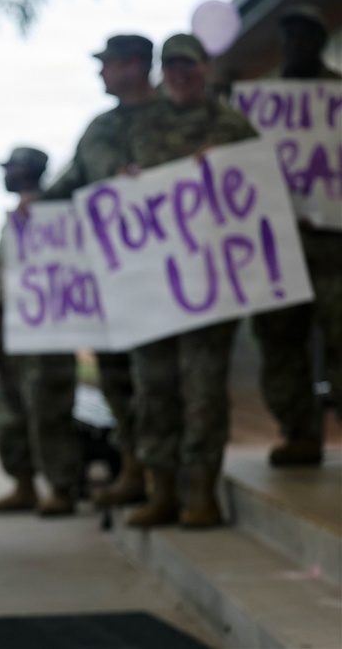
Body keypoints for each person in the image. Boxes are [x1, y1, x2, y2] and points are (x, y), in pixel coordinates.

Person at [123, 33, 258, 528]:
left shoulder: (231, 125)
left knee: (203, 391)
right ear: (163, 71)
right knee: (154, 388)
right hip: (151, 284)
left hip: (211, 281)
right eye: (172, 65)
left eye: (189, 64)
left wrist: (223, 168)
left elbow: (258, 187)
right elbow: (99, 180)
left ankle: (201, 493)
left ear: (204, 67)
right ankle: (163, 492)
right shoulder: (139, 124)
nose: (180, 73)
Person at [29, 34, 163, 510]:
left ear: (134, 65)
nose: (100, 72)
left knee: (160, 379)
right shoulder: (98, 128)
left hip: (166, 282)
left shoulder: (174, 116)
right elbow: (68, 184)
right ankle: (133, 466)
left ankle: (165, 473)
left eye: (107, 64)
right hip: (110, 281)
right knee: (115, 375)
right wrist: (34, 211)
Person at [250, 4, 342, 467]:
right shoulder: (257, 107)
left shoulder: (337, 98)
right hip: (277, 250)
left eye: (303, 37)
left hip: (335, 248)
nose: (292, 46)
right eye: (286, 37)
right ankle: (299, 432)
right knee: (280, 342)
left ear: (319, 43)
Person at [0, 147, 84, 515]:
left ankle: (60, 486)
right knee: (9, 407)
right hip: (9, 328)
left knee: (48, 405)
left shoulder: (53, 213)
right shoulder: (15, 216)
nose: (4, 174)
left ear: (26, 171)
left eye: (10, 167)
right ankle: (23, 484)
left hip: (46, 331)